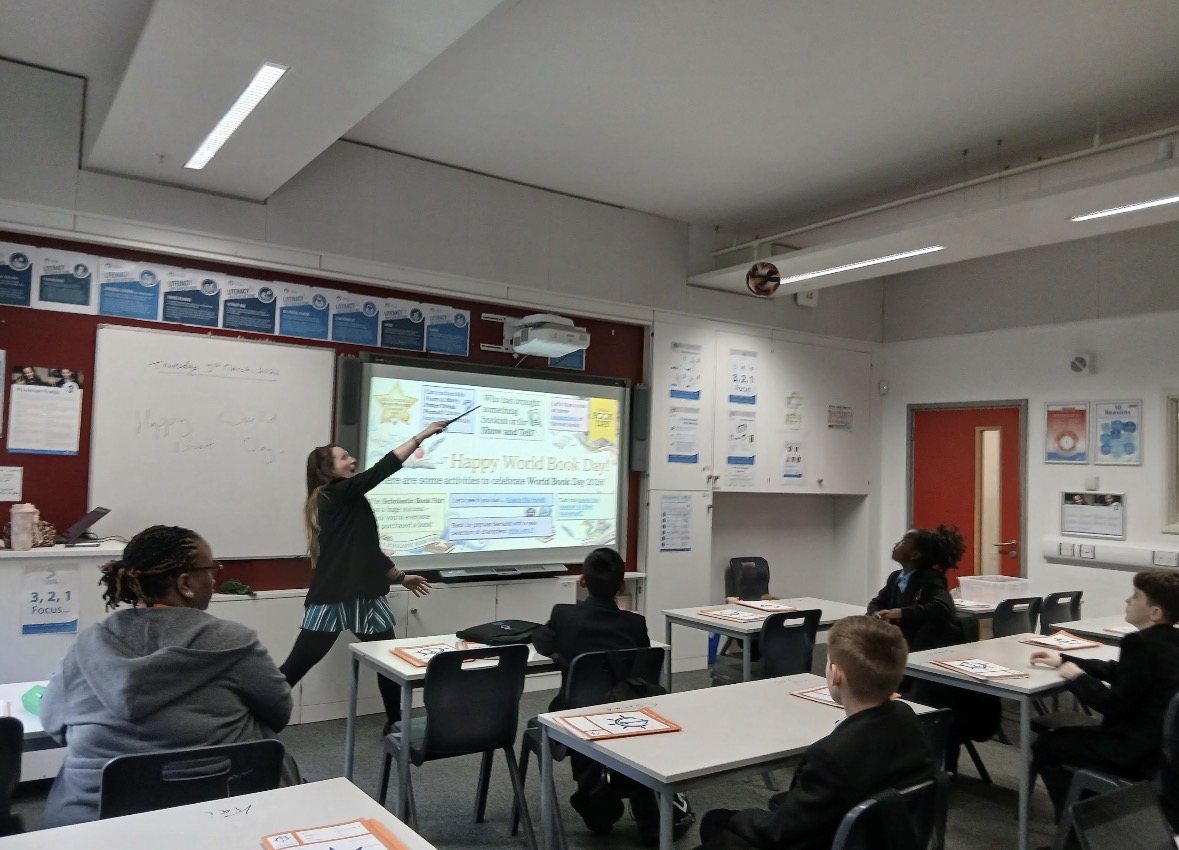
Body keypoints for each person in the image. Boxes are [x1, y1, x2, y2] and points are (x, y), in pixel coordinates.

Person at [40, 526, 296, 827]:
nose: (215, 579)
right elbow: (279, 712)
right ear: (185, 583)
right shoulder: (234, 643)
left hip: (93, 825)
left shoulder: (88, 643)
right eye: (211, 570)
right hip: (222, 818)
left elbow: (53, 723)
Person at [695, 616, 935, 850]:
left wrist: (741, 818)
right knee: (719, 821)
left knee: (718, 821)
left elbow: (779, 832)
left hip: (820, 838)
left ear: (836, 674)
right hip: (882, 835)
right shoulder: (907, 717)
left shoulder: (832, 755)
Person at [279, 422, 446, 733]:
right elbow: (382, 469)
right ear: (328, 469)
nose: (352, 460)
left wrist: (401, 576)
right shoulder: (333, 494)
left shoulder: (348, 498)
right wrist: (421, 436)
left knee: (390, 661)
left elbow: (366, 550)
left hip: (365, 597)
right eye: (344, 457)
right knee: (294, 667)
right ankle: (254, 719)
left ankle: (395, 722)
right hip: (333, 598)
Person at [533, 548, 693, 844]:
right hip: (629, 716)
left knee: (586, 713)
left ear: (582, 581)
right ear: (621, 585)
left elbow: (541, 644)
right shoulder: (635, 624)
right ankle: (641, 802)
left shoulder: (564, 615)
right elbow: (640, 664)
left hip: (576, 719)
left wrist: (559, 652)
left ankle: (597, 799)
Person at [1030, 570, 1179, 821]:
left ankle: (1076, 830)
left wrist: (1078, 678)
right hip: (1158, 749)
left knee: (1047, 745)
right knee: (1065, 738)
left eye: (1135, 596)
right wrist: (1065, 659)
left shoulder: (1139, 643)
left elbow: (1113, 705)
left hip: (1130, 751)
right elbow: (1119, 671)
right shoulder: (1169, 641)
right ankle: (1092, 814)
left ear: (1155, 612)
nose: (1127, 601)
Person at [867, 525, 965, 651]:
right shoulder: (895, 577)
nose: (896, 544)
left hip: (931, 645)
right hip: (907, 643)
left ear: (914, 555)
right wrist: (875, 613)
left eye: (903, 542)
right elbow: (877, 601)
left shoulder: (931, 578)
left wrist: (901, 612)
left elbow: (944, 607)